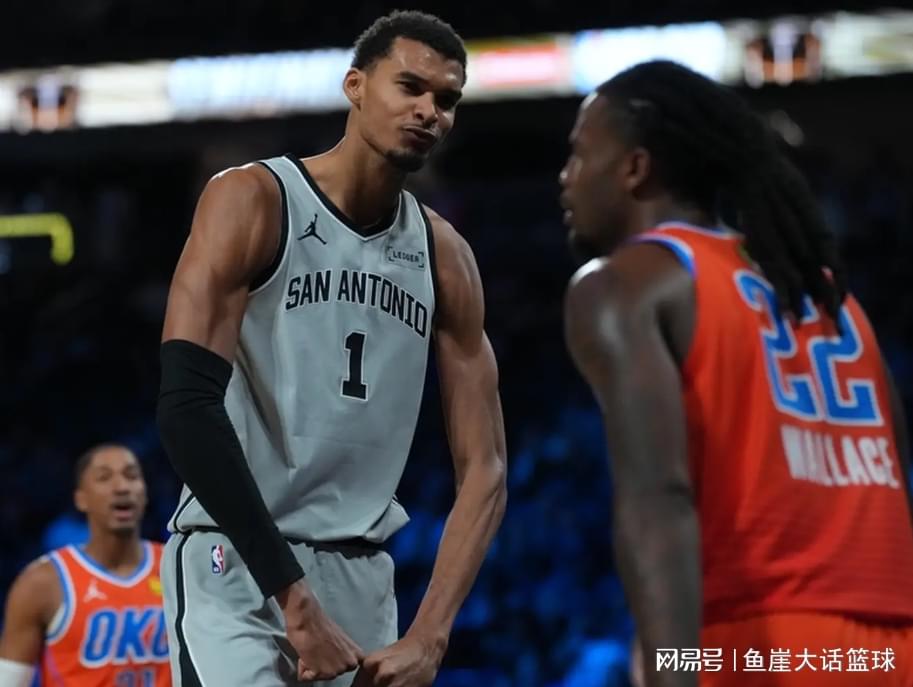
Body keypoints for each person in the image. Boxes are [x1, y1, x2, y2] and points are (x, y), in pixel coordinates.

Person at [155, 10, 507, 687]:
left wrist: (430, 636)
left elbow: (486, 467)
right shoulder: (253, 199)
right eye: (409, 86)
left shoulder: (445, 256)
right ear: (355, 86)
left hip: (361, 576)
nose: (428, 111)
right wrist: (292, 596)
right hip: (238, 559)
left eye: (446, 100)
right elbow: (186, 407)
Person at [560, 60, 913, 687]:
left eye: (579, 154)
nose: (566, 177)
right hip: (890, 649)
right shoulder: (828, 293)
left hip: (762, 641)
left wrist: (672, 668)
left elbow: (658, 499)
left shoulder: (624, 284)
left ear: (635, 168)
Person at [0, 444, 169, 687]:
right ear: (81, 499)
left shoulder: (176, 568)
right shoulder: (42, 582)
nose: (122, 487)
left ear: (145, 493)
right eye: (104, 478)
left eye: (131, 476)